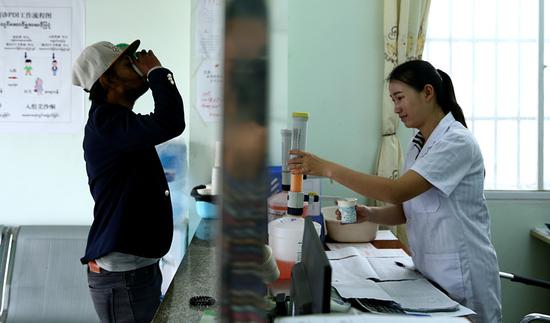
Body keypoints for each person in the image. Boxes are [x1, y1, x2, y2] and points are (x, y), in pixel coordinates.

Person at [288, 60, 501, 323]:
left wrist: (327, 168)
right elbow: (407, 209)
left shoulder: (456, 142)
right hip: (430, 274)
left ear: (427, 92)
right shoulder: (418, 143)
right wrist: (369, 214)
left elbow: (396, 192)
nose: (396, 108)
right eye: (392, 99)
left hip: (461, 276)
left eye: (400, 98)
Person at [72, 39, 185, 323]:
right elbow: (169, 121)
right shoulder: (106, 122)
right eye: (127, 63)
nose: (137, 66)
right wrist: (157, 71)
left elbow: (164, 123)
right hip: (124, 277)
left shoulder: (117, 121)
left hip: (133, 271)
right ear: (107, 78)